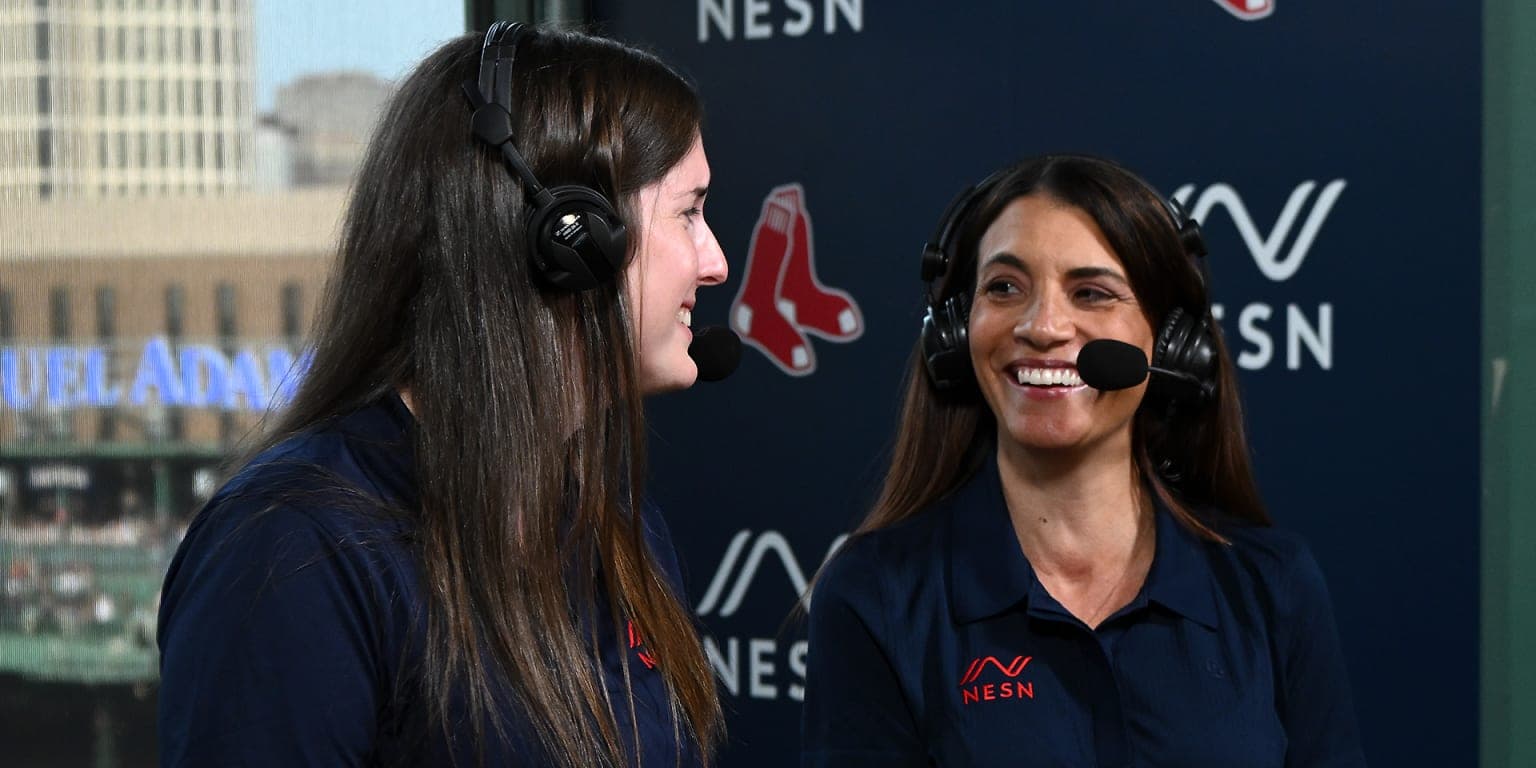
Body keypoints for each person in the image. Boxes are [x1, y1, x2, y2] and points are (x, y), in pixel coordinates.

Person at [158, 23, 729, 768]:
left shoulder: (609, 515)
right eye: (689, 212)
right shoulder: (295, 549)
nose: (715, 262)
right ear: (572, 238)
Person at [800, 154, 1366, 767]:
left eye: (1091, 293)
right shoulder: (877, 594)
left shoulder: (1271, 584)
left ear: (1173, 344)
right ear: (956, 335)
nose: (1043, 327)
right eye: (1005, 288)